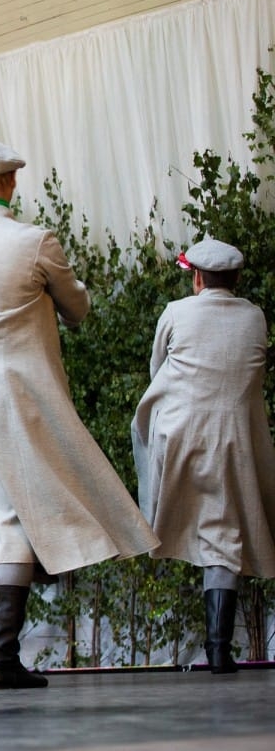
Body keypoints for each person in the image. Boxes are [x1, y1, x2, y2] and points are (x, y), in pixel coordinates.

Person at [0, 140, 159, 690]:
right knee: (12, 523)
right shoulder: (33, 242)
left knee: (2, 517)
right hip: (16, 398)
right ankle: (0, 658)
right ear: (10, 183)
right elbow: (77, 308)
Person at [131, 238, 275, 675]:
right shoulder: (255, 316)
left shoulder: (176, 312)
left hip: (180, 440)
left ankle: (213, 646)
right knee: (225, 536)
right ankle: (218, 649)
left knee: (198, 526)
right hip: (235, 442)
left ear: (196, 277)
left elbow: (159, 370)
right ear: (235, 279)